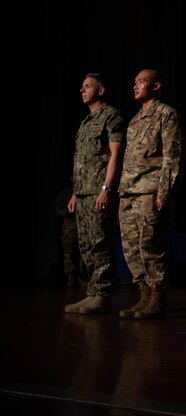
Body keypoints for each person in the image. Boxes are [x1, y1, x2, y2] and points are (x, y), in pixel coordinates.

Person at [118, 68, 184, 320]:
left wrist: (165, 191)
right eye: (134, 82)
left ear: (155, 86)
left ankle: (157, 298)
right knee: (131, 247)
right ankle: (143, 295)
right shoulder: (135, 120)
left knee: (151, 245)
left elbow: (172, 156)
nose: (135, 86)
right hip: (129, 192)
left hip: (150, 191)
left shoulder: (166, 115)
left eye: (141, 82)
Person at [64, 73, 126, 314]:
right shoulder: (86, 122)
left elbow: (115, 155)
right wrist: (75, 193)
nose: (82, 90)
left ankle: (102, 293)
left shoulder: (111, 116)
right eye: (81, 87)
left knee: (100, 242)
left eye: (87, 86)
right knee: (86, 244)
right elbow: (82, 162)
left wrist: (106, 189)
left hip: (99, 192)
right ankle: (92, 292)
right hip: (83, 193)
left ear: (100, 91)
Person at [55, 182, 80, 287]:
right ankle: (70, 278)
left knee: (83, 255)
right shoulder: (65, 193)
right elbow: (59, 210)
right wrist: (72, 210)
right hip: (68, 230)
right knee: (68, 255)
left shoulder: (81, 191)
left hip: (81, 228)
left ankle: (81, 278)